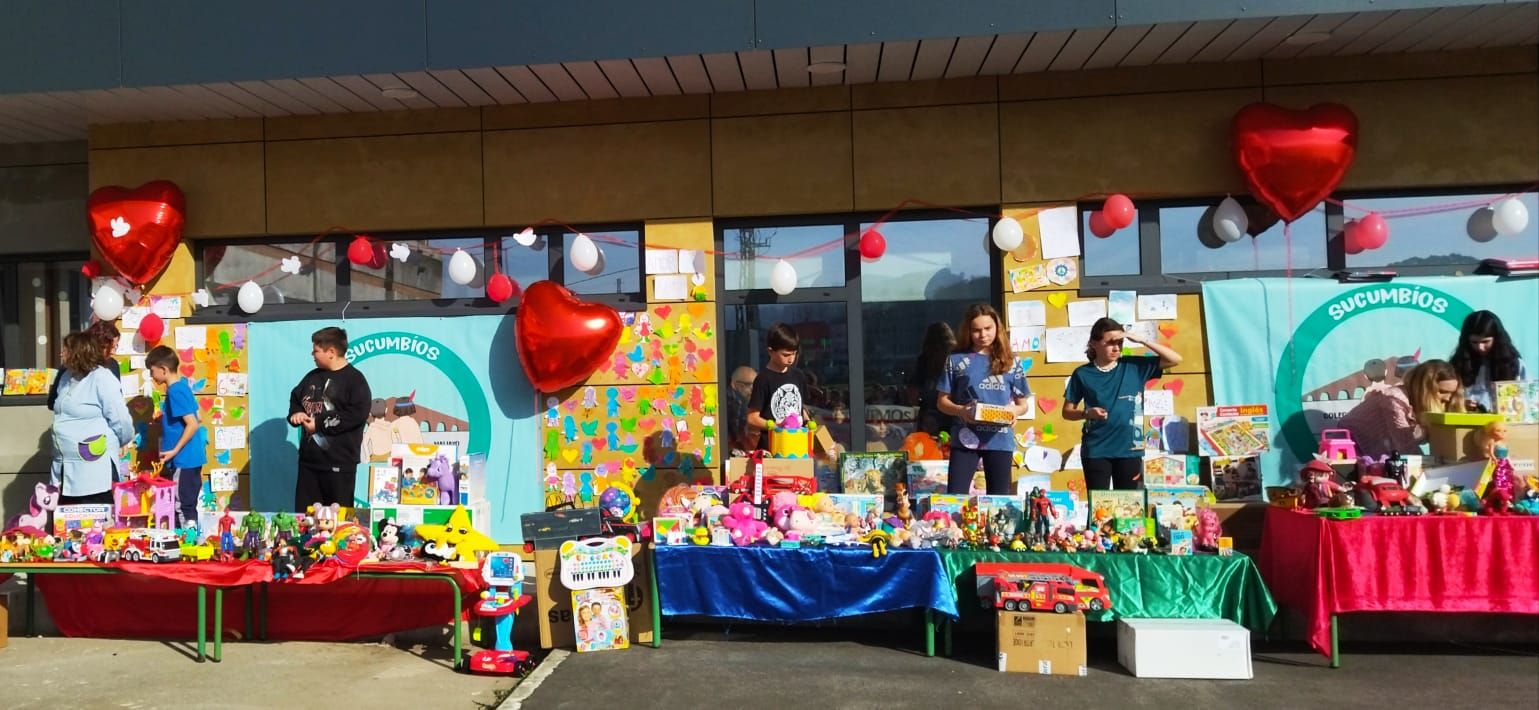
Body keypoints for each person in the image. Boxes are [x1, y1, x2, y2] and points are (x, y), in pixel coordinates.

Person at [1063, 318, 1183, 490]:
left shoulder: (1134, 365)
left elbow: (1175, 359)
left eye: (1119, 342)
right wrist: (1087, 413)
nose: (1116, 348)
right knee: (1099, 511)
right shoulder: (1082, 374)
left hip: (1130, 449)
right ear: (1093, 344)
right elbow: (1067, 412)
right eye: (1110, 343)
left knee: (1130, 508)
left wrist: (1142, 340)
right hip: (1097, 450)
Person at [935, 304, 1031, 496]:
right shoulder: (955, 360)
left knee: (999, 499)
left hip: (1000, 439)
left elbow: (1023, 405)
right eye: (976, 330)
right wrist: (961, 410)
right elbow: (942, 402)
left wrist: (1014, 411)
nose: (983, 335)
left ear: (997, 328)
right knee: (956, 496)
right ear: (968, 331)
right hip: (965, 439)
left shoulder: (1012, 361)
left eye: (988, 328)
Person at [288, 327, 371, 511]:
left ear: (331, 352)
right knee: (306, 518)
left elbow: (355, 415)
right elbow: (296, 398)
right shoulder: (312, 377)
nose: (312, 354)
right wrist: (296, 413)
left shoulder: (355, 380)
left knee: (337, 520)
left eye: (316, 350)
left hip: (339, 466)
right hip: (309, 465)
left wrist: (318, 424)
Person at [50, 332, 135, 505]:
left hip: (93, 469)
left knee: (94, 524)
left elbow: (121, 420)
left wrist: (118, 442)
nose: (61, 354)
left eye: (65, 350)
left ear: (79, 352)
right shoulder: (66, 377)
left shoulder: (102, 378)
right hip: (65, 467)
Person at [1338, 359, 1464, 460]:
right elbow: (1406, 446)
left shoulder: (1421, 401)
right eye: (1442, 392)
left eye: (1452, 394)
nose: (1448, 398)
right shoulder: (1394, 399)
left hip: (1379, 452)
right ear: (1424, 388)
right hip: (1351, 448)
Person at [146, 345, 207, 528]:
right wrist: (166, 421)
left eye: (152, 371)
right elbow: (199, 416)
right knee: (187, 503)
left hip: (183, 460)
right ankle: (190, 539)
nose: (152, 376)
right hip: (191, 459)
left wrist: (174, 450)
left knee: (182, 505)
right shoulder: (183, 387)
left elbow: (193, 424)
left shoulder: (174, 391)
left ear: (163, 369)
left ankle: (185, 543)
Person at [746, 323, 810, 449]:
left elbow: (800, 409)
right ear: (771, 351)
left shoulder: (798, 375)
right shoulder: (763, 379)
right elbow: (752, 418)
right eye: (786, 355)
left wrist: (807, 423)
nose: (791, 359)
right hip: (772, 448)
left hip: (797, 447)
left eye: (794, 353)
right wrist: (777, 426)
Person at [1449, 310, 1527, 412]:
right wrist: (1460, 403)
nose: (1480, 347)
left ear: (1497, 339)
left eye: (1486, 342)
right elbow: (1447, 397)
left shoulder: (1515, 364)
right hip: (1467, 421)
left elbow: (1526, 397)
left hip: (1503, 424)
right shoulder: (1458, 363)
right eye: (1474, 342)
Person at [47, 320, 121, 411]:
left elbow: (116, 402)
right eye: (110, 347)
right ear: (97, 345)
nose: (113, 352)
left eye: (116, 346)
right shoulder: (68, 367)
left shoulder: (112, 365)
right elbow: (52, 402)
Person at [907, 322, 957, 436]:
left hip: (929, 412)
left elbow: (913, 393)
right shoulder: (956, 358)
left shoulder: (924, 360)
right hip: (953, 410)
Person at [725, 365, 758, 454]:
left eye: (755, 386)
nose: (752, 390)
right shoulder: (735, 401)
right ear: (734, 384)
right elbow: (738, 435)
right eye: (748, 385)